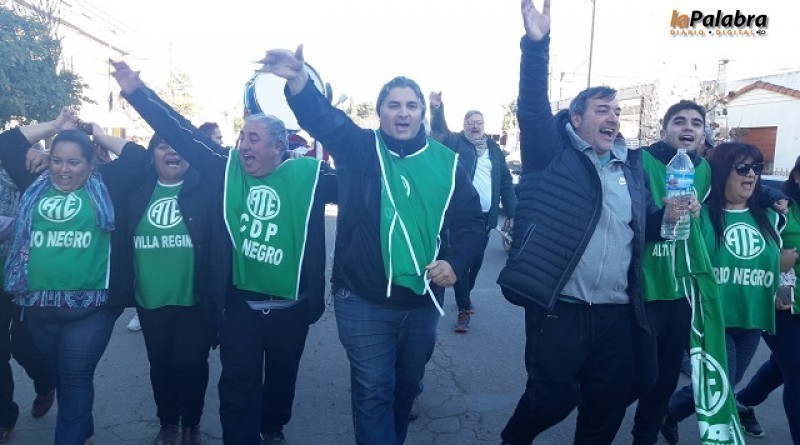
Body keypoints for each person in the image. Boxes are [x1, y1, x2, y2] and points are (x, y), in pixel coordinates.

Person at [260, 46, 485, 444]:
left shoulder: (449, 163)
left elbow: (472, 223)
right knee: (373, 390)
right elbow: (324, 120)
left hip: (422, 302)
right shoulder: (360, 149)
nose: (403, 113)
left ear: (422, 113)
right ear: (380, 112)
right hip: (362, 298)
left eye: (411, 105)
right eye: (393, 105)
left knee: (404, 390)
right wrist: (299, 82)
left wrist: (454, 260)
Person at [112, 61, 336, 445]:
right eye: (242, 137)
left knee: (281, 377)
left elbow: (366, 185)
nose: (243, 145)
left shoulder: (312, 178)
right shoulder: (225, 170)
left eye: (253, 138)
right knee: (238, 381)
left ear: (278, 146)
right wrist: (137, 93)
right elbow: (181, 131)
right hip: (240, 302)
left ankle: (272, 426)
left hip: (292, 305)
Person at [496, 1, 676, 443]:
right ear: (576, 119)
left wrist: (666, 218)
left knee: (607, 405)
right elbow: (532, 108)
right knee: (552, 397)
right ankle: (513, 438)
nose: (612, 117)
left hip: (616, 310)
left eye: (616, 111)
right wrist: (536, 46)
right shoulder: (549, 154)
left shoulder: (631, 167)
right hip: (561, 305)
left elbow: (639, 232)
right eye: (601, 109)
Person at [1, 110, 149, 445]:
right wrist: (54, 126)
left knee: (75, 377)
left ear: (91, 163)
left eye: (73, 162)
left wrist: (98, 134)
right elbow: (7, 143)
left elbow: (139, 157)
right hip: (38, 307)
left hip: (91, 309)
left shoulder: (109, 183)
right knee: (65, 378)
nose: (63, 170)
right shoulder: (34, 181)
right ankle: (84, 431)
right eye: (57, 161)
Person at [663, 142, 782, 444]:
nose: (751, 174)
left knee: (726, 381)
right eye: (742, 168)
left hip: (752, 318)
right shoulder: (701, 217)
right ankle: (682, 418)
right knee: (723, 382)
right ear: (721, 173)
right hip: (713, 319)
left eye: (756, 168)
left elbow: (782, 260)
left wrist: (785, 284)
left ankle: (669, 412)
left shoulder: (770, 218)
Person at [118, 131, 215, 445]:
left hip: (194, 299)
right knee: (160, 366)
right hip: (150, 299)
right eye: (163, 146)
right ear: (151, 156)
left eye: (180, 146)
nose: (172, 151)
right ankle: (168, 422)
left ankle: (191, 424)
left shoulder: (206, 189)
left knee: (190, 363)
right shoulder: (136, 192)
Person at [628, 100, 712, 445]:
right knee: (637, 376)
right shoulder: (639, 161)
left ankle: (644, 437)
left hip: (681, 293)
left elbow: (745, 180)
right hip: (643, 289)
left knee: (664, 382)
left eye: (696, 122)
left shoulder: (705, 170)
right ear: (664, 130)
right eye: (679, 121)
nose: (688, 127)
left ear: (703, 134)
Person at [429, 92, 517, 333]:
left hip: (486, 218)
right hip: (459, 217)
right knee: (462, 262)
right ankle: (464, 310)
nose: (475, 126)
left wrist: (512, 212)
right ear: (464, 125)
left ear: (484, 125)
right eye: (470, 122)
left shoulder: (494, 150)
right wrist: (437, 109)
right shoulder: (455, 142)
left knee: (475, 263)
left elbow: (506, 182)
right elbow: (440, 131)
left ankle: (464, 297)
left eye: (479, 122)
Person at [735, 154, 800, 444]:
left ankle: (743, 403)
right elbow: (763, 251)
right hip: (784, 302)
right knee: (797, 371)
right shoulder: (780, 207)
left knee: (783, 365)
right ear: (796, 175)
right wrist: (780, 288)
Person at [0, 124, 58, 444]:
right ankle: (4, 417)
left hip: (26, 274)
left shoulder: (29, 165)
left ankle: (45, 381)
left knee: (23, 345)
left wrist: (48, 158)